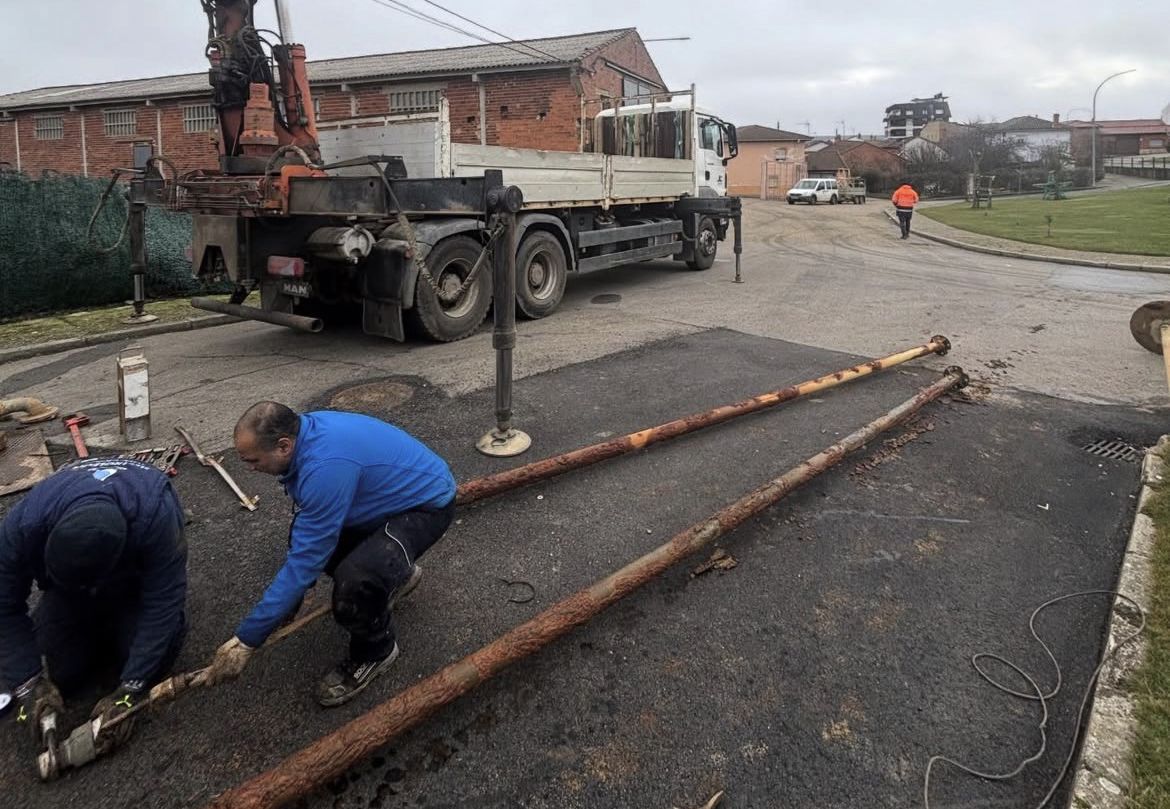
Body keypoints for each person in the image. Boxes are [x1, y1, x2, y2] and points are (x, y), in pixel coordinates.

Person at [197, 402, 456, 707]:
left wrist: (248, 638)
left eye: (252, 460)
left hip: (426, 506)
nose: (251, 468)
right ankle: (396, 577)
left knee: (355, 584)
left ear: (283, 446)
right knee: (309, 540)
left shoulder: (326, 466)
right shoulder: (304, 433)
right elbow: (308, 545)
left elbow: (305, 562)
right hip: (387, 499)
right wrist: (285, 604)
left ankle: (376, 652)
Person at [0, 457, 187, 752]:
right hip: (68, 593)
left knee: (146, 656)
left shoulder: (156, 514)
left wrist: (130, 690)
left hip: (130, 587)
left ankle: (122, 640)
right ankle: (93, 626)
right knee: (63, 673)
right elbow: (4, 606)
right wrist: (29, 684)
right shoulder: (23, 527)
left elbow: (164, 600)